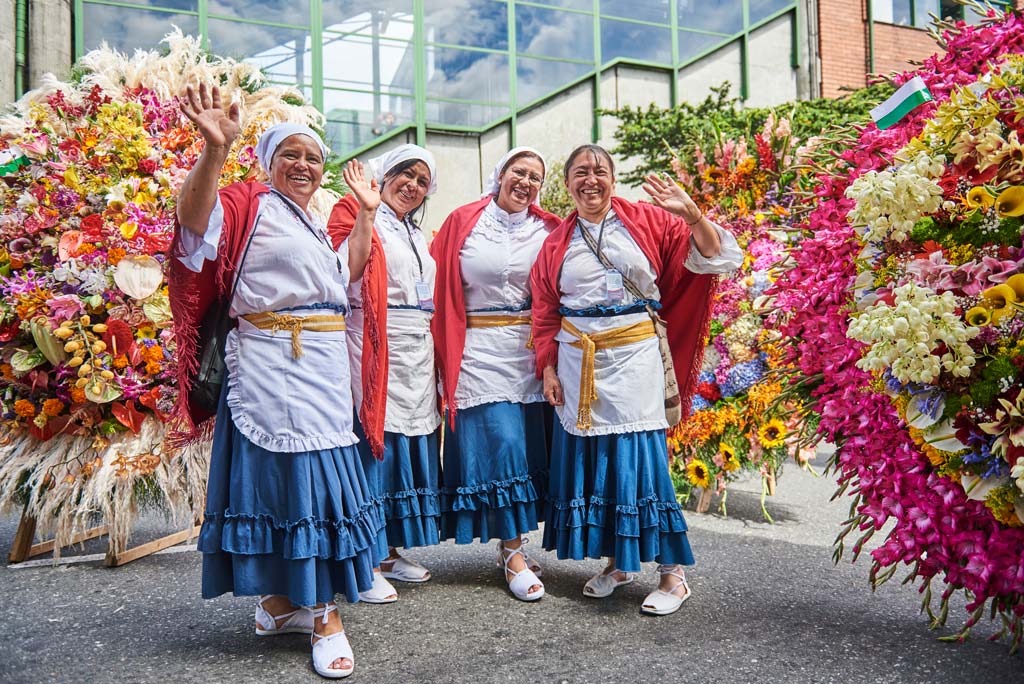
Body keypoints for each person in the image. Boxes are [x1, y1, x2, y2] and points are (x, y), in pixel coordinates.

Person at [169, 83, 383, 679]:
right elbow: (192, 227)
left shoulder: (311, 222)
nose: (304, 165)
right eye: (291, 154)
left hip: (319, 367)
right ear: (267, 161)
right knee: (295, 486)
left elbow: (346, 277)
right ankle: (322, 614)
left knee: (310, 486)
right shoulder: (246, 202)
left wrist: (365, 213)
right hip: (271, 369)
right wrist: (214, 151)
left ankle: (280, 603)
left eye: (314, 158)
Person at [530, 144, 741, 616]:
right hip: (577, 362)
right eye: (580, 172)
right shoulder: (555, 242)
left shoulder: (648, 221)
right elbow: (544, 310)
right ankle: (619, 562)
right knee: (599, 463)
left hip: (633, 360)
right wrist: (547, 365)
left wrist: (693, 216)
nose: (591, 179)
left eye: (600, 171)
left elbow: (715, 257)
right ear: (566, 184)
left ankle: (673, 574)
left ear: (613, 179)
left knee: (640, 463)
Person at [431, 147, 562, 601]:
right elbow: (433, 278)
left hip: (529, 351)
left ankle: (513, 543)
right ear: (499, 174)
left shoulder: (550, 229)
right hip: (479, 350)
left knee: (525, 451)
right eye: (518, 172)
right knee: (503, 444)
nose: (526, 182)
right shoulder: (463, 221)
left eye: (535, 177)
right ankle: (513, 554)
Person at [327, 144, 441, 604]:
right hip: (373, 338)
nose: (412, 186)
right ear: (384, 174)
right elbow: (345, 272)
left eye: (422, 182)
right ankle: (365, 559)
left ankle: (389, 548)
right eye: (405, 175)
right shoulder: (349, 210)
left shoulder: (413, 231)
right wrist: (367, 214)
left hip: (416, 346)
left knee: (404, 448)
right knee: (373, 446)